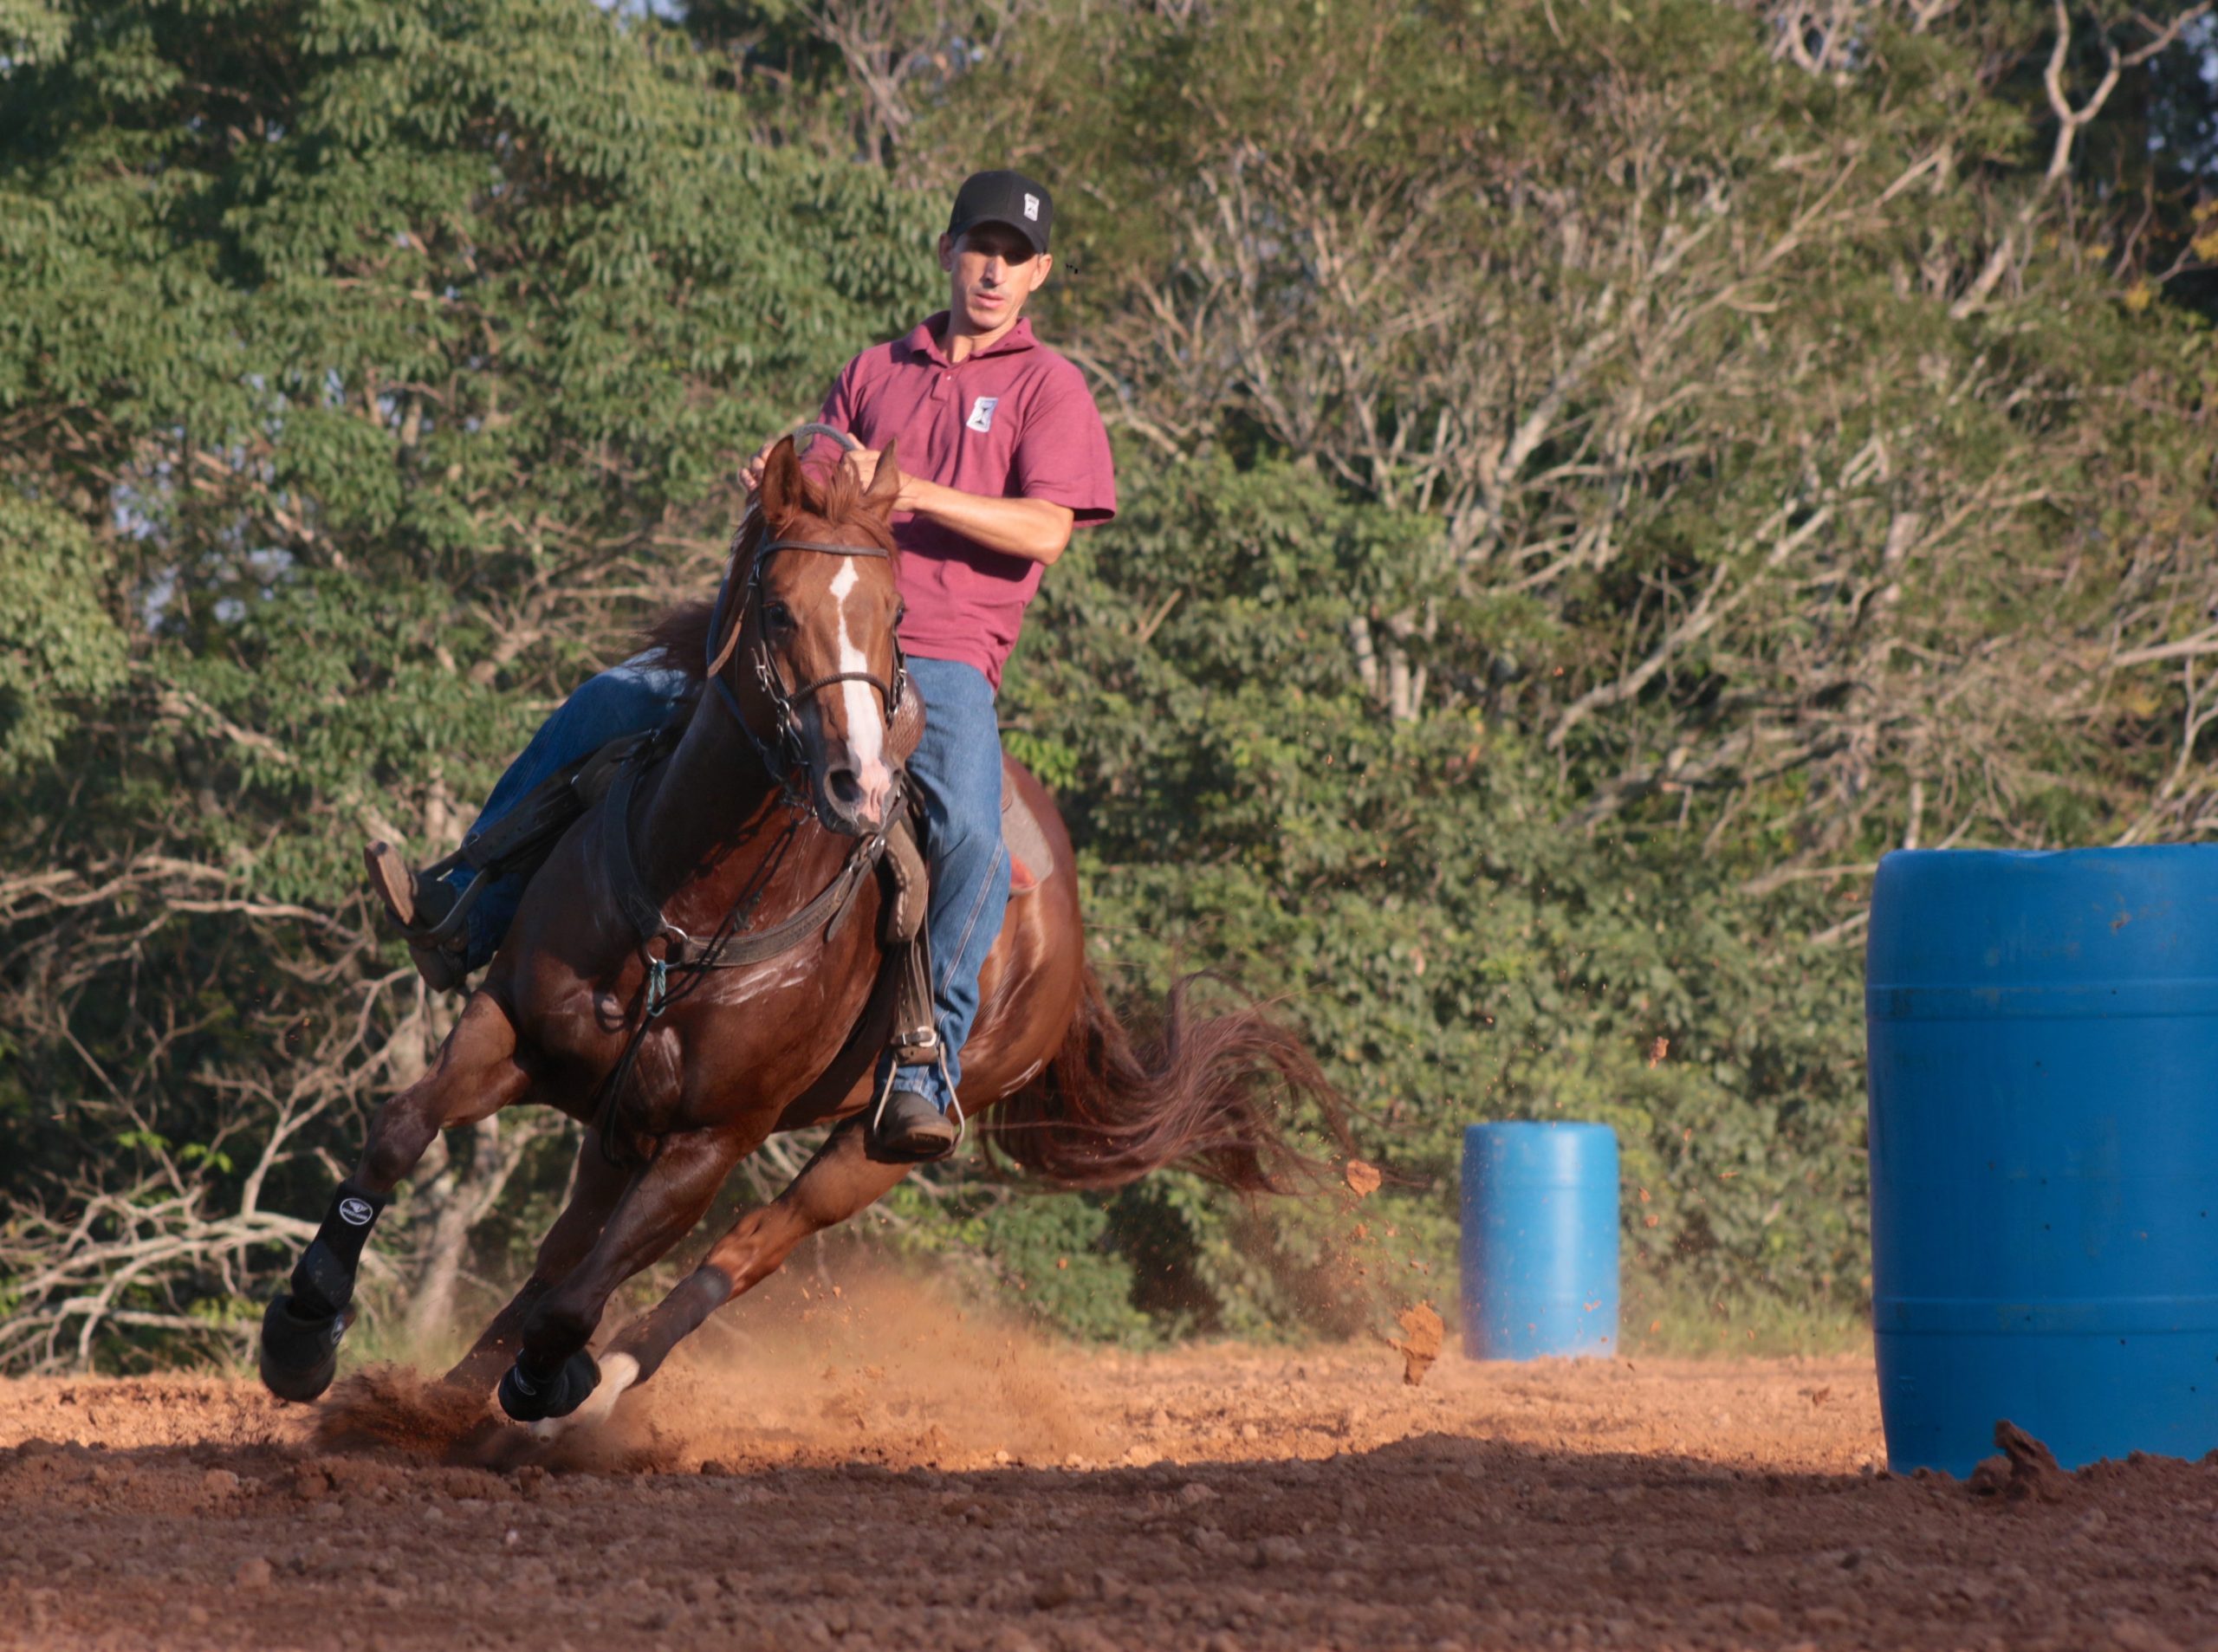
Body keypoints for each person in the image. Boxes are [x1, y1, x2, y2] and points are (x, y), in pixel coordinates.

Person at [365, 169, 1116, 1163]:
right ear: (947, 251)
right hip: (803, 638)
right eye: (980, 246)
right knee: (607, 701)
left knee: (974, 835)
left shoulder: (1045, 386)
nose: (993, 268)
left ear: (1039, 275)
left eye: (1014, 257)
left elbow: (1048, 529)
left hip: (936, 658)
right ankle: (468, 904)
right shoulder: (875, 368)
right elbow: (808, 491)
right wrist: (778, 479)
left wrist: (918, 493)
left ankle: (924, 1059)